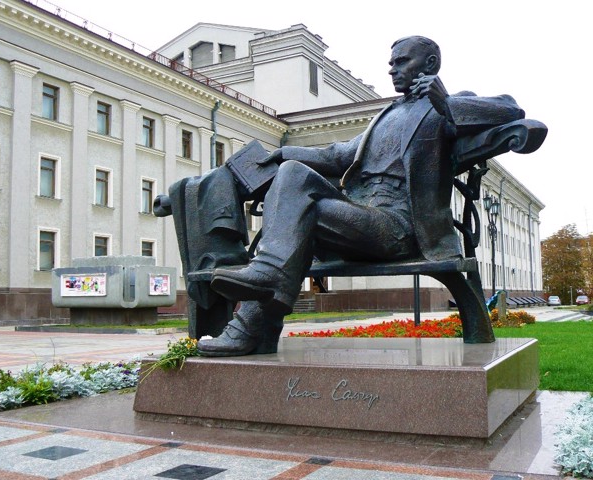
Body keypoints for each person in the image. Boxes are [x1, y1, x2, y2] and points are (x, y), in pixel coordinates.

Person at [194, 35, 525, 356]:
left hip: (400, 228)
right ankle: (258, 304)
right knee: (293, 175)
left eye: (401, 62)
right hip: (360, 219)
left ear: (430, 63)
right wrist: (283, 153)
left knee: (296, 216)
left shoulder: (444, 107)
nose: (392, 69)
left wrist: (446, 102)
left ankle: (251, 322)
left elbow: (511, 109)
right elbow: (338, 156)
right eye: (391, 63)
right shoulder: (386, 115)